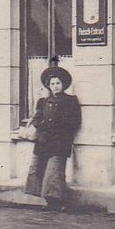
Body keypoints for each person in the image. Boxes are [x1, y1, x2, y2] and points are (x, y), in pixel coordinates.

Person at [24, 62, 81, 210]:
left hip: (60, 142)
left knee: (54, 173)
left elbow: (75, 122)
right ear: (48, 85)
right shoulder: (42, 102)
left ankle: (58, 202)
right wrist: (39, 126)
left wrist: (59, 129)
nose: (55, 86)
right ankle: (50, 202)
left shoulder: (71, 101)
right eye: (52, 83)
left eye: (58, 83)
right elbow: (37, 118)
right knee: (40, 170)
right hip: (43, 141)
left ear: (63, 85)